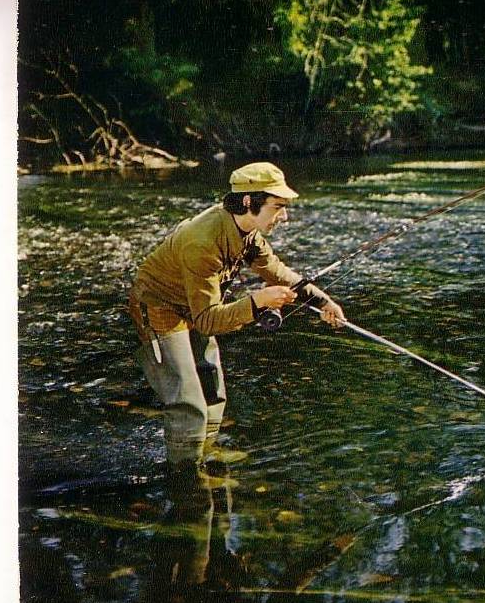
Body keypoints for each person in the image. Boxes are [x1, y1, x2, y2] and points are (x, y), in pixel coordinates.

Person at [129, 162, 345, 476]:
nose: (284, 216)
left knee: (213, 388)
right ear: (248, 202)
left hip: (197, 305)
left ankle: (205, 454)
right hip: (159, 310)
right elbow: (207, 322)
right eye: (278, 207)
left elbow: (278, 272)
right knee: (189, 404)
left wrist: (324, 301)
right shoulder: (202, 241)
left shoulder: (249, 232)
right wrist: (256, 302)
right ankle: (187, 478)